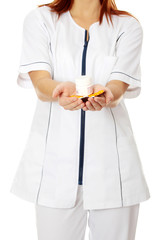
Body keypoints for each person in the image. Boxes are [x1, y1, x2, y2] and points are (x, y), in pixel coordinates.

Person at [10, 0, 150, 239]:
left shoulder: (127, 26)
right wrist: (59, 90)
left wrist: (107, 95)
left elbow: (118, 87)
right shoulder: (41, 20)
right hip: (53, 171)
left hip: (114, 172)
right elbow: (41, 86)